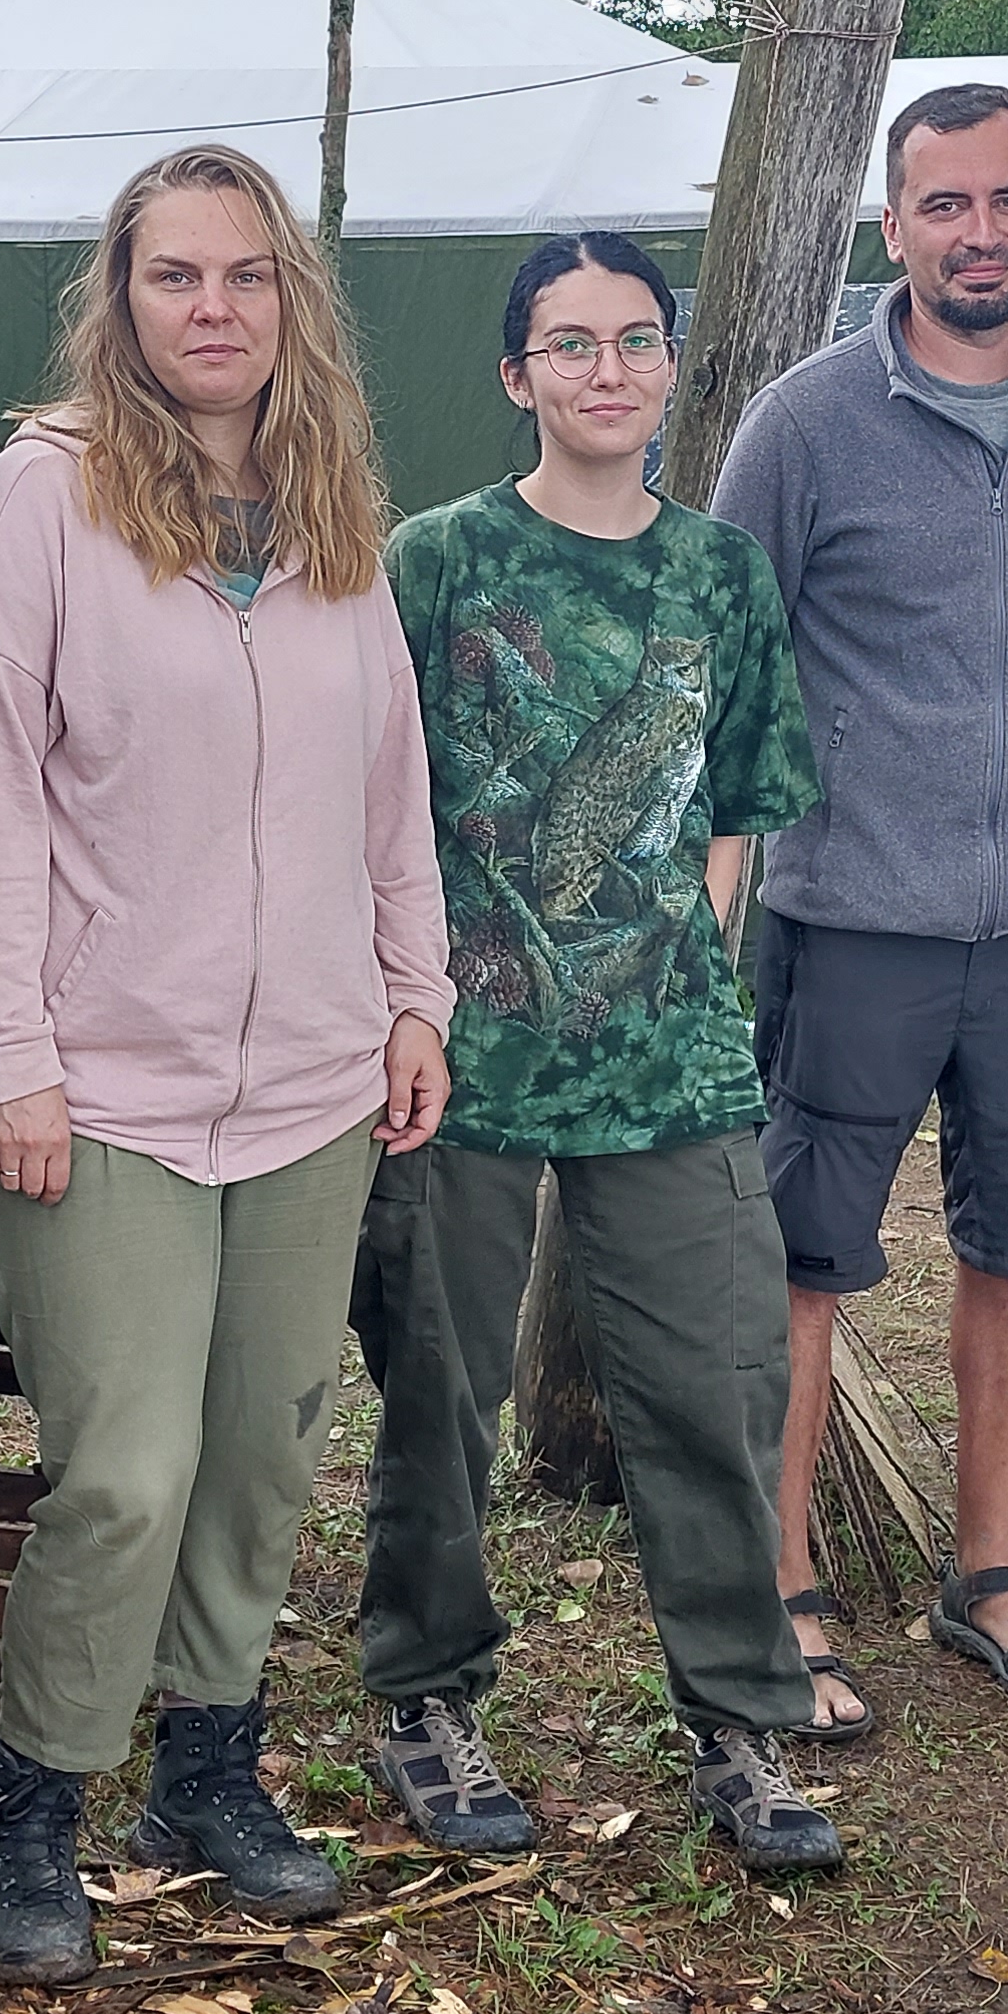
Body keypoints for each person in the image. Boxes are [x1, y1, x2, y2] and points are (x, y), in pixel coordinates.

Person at [0, 142, 454, 1983]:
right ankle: (40, 1790)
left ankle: (207, 1766)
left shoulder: (334, 516)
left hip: (311, 1074)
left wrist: (415, 995)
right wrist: (13, 1057)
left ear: (292, 303)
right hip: (97, 1087)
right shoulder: (41, 502)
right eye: (174, 278)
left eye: (246, 277)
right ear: (120, 298)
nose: (212, 309)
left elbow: (391, 783)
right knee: (127, 1466)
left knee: (262, 1446)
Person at [347, 234, 843, 1873]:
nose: (606, 371)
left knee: (711, 1380)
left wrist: (660, 953)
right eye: (571, 345)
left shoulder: (718, 571)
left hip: (669, 1054)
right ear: (518, 376)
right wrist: (427, 993)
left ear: (669, 368)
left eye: (635, 340)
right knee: (441, 1377)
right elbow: (375, 801)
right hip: (462, 1050)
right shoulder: (435, 561)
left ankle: (741, 1720)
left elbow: (737, 805)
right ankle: (425, 1690)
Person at [711, 83, 1008, 1727]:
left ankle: (985, 1570)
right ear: (892, 228)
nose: (983, 233)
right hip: (853, 918)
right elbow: (738, 649)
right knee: (804, 1262)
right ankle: (782, 1585)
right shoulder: (809, 420)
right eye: (947, 204)